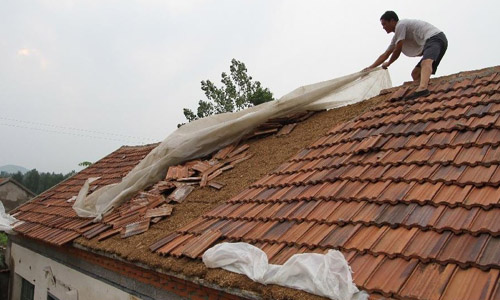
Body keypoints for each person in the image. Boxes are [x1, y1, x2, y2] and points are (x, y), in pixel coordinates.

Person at [363, 11, 448, 99]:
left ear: (392, 21)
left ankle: (422, 89)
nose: (383, 27)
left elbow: (398, 49)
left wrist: (388, 63)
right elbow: (386, 54)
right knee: (415, 73)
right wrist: (370, 68)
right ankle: (425, 96)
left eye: (384, 24)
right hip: (430, 43)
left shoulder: (401, 25)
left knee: (426, 62)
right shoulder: (397, 36)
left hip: (435, 38)